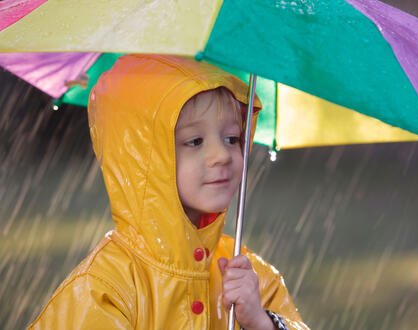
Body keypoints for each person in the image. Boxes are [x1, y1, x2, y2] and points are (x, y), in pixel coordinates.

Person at [29, 54, 308, 329]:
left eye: (232, 138)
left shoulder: (248, 278)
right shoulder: (104, 288)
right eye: (195, 141)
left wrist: (261, 323)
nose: (221, 154)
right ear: (142, 159)